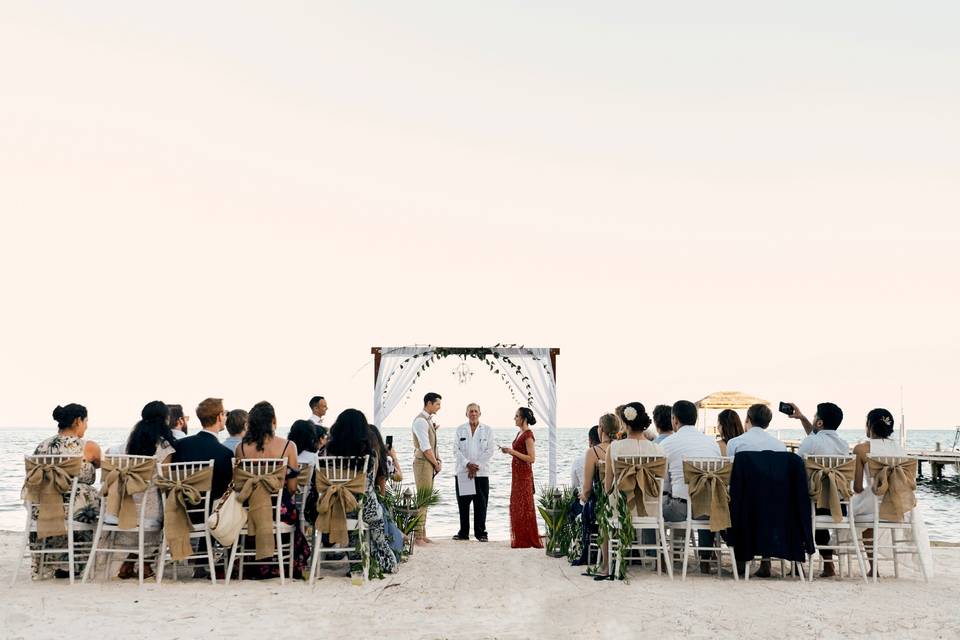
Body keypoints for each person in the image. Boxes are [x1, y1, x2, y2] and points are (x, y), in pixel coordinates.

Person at [234, 401, 311, 579]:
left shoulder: (241, 448)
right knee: (290, 511)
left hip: (250, 510)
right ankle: (282, 562)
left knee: (256, 510)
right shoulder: (288, 446)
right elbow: (292, 487)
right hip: (280, 511)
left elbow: (239, 484)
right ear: (273, 421)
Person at [28, 403, 101, 579]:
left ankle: (56, 563)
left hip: (42, 506)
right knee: (99, 508)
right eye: (86, 421)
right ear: (78, 421)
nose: (87, 425)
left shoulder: (41, 447)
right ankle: (77, 565)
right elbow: (99, 465)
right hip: (73, 509)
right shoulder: (87, 446)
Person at [109, 401, 178, 580]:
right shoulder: (163, 447)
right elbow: (165, 480)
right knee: (169, 507)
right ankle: (146, 565)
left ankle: (130, 562)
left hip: (125, 506)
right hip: (150, 510)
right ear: (165, 419)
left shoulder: (126, 446)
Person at [325, 409, 399, 574]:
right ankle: (383, 559)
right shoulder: (368, 454)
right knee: (376, 518)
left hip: (335, 508)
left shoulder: (326, 453)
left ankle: (357, 563)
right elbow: (369, 486)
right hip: (365, 508)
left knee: (354, 527)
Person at [597, 403, 665, 578]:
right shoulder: (658, 450)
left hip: (621, 510)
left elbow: (607, 486)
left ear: (624, 424)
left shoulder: (615, 447)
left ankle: (605, 566)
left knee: (603, 514)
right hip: (651, 510)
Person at [661, 400, 721, 574]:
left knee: (655, 512)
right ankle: (704, 560)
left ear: (675, 419)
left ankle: (661, 558)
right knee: (703, 502)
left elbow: (663, 483)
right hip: (709, 509)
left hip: (681, 509)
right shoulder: (712, 444)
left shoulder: (667, 444)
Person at [788, 402, 848, 577]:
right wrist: (803, 419)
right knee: (818, 499)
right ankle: (828, 564)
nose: (813, 419)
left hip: (813, 503)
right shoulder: (843, 445)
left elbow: (797, 466)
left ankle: (797, 562)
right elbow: (818, 438)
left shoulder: (811, 441)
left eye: (815, 417)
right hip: (838, 504)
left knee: (794, 506)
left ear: (820, 423)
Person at [172, 398, 235, 507]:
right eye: (225, 413)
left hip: (182, 508)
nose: (226, 417)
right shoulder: (225, 453)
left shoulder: (179, 445)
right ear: (219, 416)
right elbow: (223, 491)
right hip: (210, 512)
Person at [574, 419, 616, 566]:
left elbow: (586, 490)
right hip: (623, 505)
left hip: (603, 506)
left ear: (602, 429)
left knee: (585, 506)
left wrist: (583, 497)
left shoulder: (593, 452)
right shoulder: (621, 448)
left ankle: (588, 552)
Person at [453, 403, 496, 542]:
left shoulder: (487, 430)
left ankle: (481, 533)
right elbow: (456, 450)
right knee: (463, 505)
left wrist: (475, 466)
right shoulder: (460, 429)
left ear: (480, 413)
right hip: (463, 472)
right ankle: (463, 533)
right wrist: (468, 464)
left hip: (481, 473)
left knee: (481, 505)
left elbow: (490, 451)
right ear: (466, 414)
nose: (473, 413)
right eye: (470, 411)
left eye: (475, 411)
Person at [501, 407, 543, 549]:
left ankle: (527, 539)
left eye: (517, 416)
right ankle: (520, 537)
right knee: (517, 504)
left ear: (524, 419)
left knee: (524, 505)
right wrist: (509, 451)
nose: (515, 418)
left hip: (524, 475)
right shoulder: (519, 433)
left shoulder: (528, 435)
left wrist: (512, 452)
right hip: (517, 474)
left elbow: (532, 458)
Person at [411, 392, 442, 544]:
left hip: (428, 463)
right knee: (423, 498)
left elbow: (432, 444)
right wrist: (436, 464)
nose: (439, 407)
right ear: (428, 403)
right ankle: (417, 536)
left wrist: (438, 461)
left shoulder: (428, 421)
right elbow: (425, 447)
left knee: (426, 499)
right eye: (437, 404)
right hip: (423, 463)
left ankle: (422, 533)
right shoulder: (421, 421)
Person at [570, 426, 600, 495]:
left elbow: (574, 487)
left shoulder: (578, 461)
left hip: (585, 501)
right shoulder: (610, 457)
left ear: (590, 441)